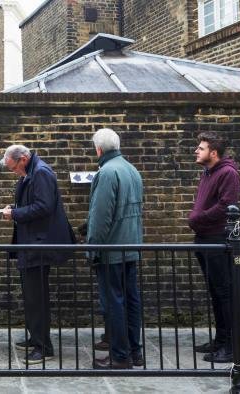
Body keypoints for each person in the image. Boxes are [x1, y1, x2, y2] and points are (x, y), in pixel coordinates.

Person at [1, 144, 74, 364]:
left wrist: (14, 213)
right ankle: (36, 338)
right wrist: (15, 207)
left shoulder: (40, 172)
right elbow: (33, 203)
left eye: (13, 168)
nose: (13, 172)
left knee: (37, 297)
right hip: (31, 243)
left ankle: (43, 347)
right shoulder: (31, 172)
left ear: (23, 159)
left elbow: (44, 206)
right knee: (32, 296)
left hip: (39, 245)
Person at [87, 128, 144, 370]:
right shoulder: (132, 170)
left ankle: (120, 356)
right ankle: (134, 351)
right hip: (130, 246)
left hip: (111, 250)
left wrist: (92, 249)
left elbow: (101, 218)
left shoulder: (107, 173)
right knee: (131, 300)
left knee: (114, 303)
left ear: (98, 149)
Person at [188, 131, 240, 363]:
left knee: (224, 293)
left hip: (217, 239)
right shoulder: (207, 172)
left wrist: (199, 218)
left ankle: (230, 346)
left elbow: (226, 206)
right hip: (204, 238)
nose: (196, 151)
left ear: (214, 152)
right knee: (215, 292)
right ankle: (220, 340)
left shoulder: (228, 173)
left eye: (201, 148)